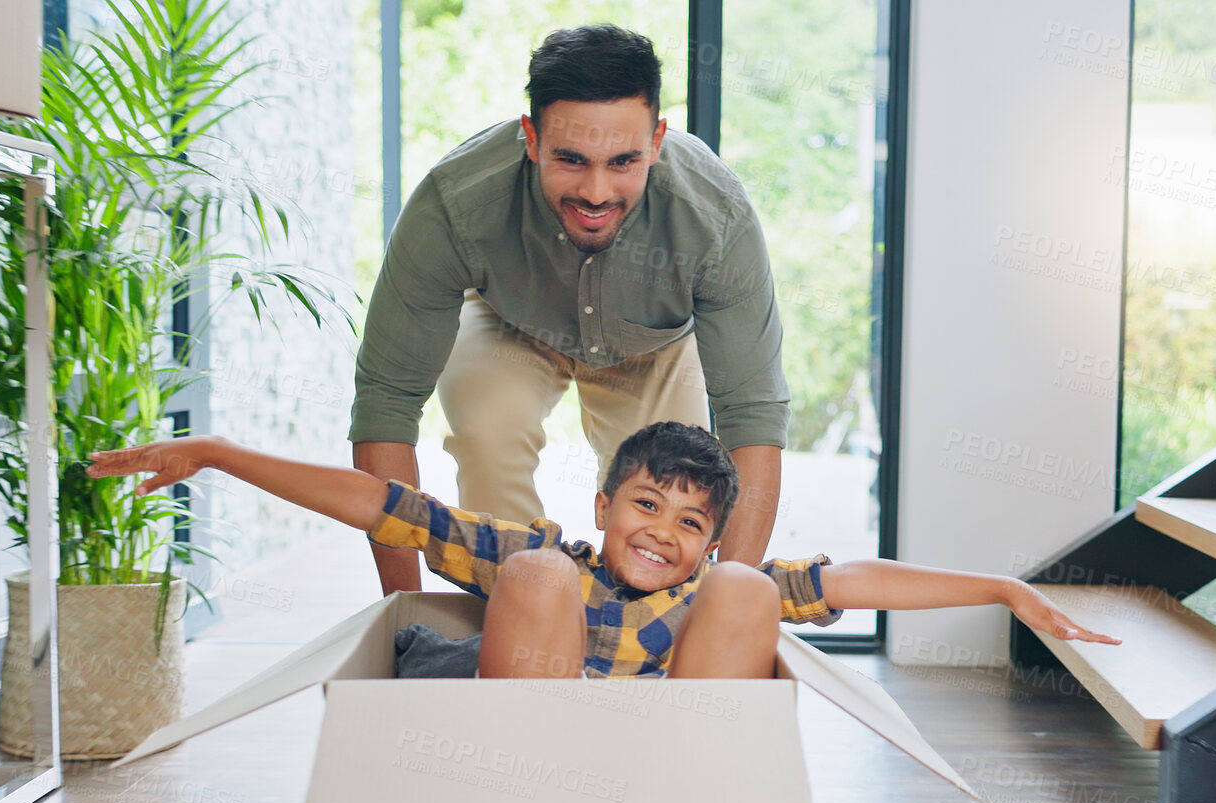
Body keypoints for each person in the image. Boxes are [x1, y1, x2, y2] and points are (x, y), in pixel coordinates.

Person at [87, 423, 1119, 680]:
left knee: (756, 593)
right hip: (526, 752)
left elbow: (853, 578)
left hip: (663, 763)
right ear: (604, 500)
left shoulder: (715, 582)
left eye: (686, 523)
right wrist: (219, 453)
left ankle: (679, 799)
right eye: (645, 504)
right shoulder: (552, 553)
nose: (660, 535)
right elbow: (387, 506)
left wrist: (998, 586)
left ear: (705, 536)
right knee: (528, 569)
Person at [350, 24, 789, 597]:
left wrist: (725, 606)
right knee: (489, 432)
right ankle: (513, 614)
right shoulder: (454, 205)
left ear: (657, 141)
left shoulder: (715, 215)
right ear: (531, 139)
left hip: (651, 343)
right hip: (511, 321)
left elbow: (752, 414)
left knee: (672, 489)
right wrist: (401, 610)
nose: (597, 191)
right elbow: (386, 402)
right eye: (572, 159)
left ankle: (647, 634)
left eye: (624, 161)